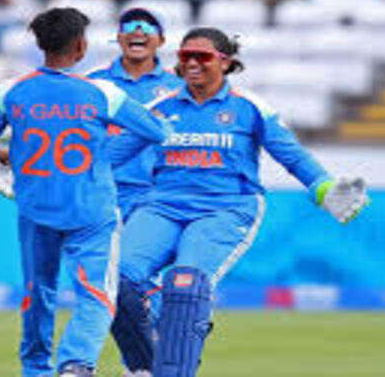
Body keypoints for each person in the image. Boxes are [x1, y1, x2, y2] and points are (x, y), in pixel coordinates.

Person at [112, 27, 369, 377]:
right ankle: (144, 367)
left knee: (186, 286)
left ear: (225, 61)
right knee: (117, 279)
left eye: (202, 56)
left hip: (225, 208)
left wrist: (323, 188)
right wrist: (53, 175)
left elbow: (291, 155)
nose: (192, 63)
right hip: (161, 206)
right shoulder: (159, 108)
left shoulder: (248, 107)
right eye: (185, 56)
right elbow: (108, 156)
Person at [0, 7, 172, 377]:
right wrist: (105, 154)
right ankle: (76, 364)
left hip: (36, 208)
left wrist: (3, 155)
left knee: (38, 291)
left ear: (40, 45)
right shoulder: (102, 93)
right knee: (96, 293)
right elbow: (158, 133)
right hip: (92, 212)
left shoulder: (10, 91)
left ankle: (35, 368)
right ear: (81, 46)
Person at [87, 8, 182, 377]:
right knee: (110, 284)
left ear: (161, 40)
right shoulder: (94, 85)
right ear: (118, 37)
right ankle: (142, 364)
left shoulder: (177, 87)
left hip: (159, 198)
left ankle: (146, 363)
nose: (137, 31)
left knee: (143, 285)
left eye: (146, 27)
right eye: (128, 26)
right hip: (104, 196)